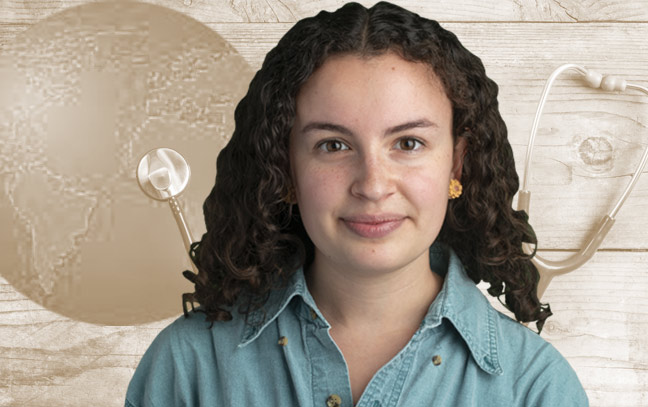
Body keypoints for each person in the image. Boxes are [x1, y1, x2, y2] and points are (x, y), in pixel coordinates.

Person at [125, 2, 588, 406]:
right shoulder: (187, 368)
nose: (372, 184)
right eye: (332, 145)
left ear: (457, 165)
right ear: (284, 168)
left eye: (408, 143)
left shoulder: (537, 389)